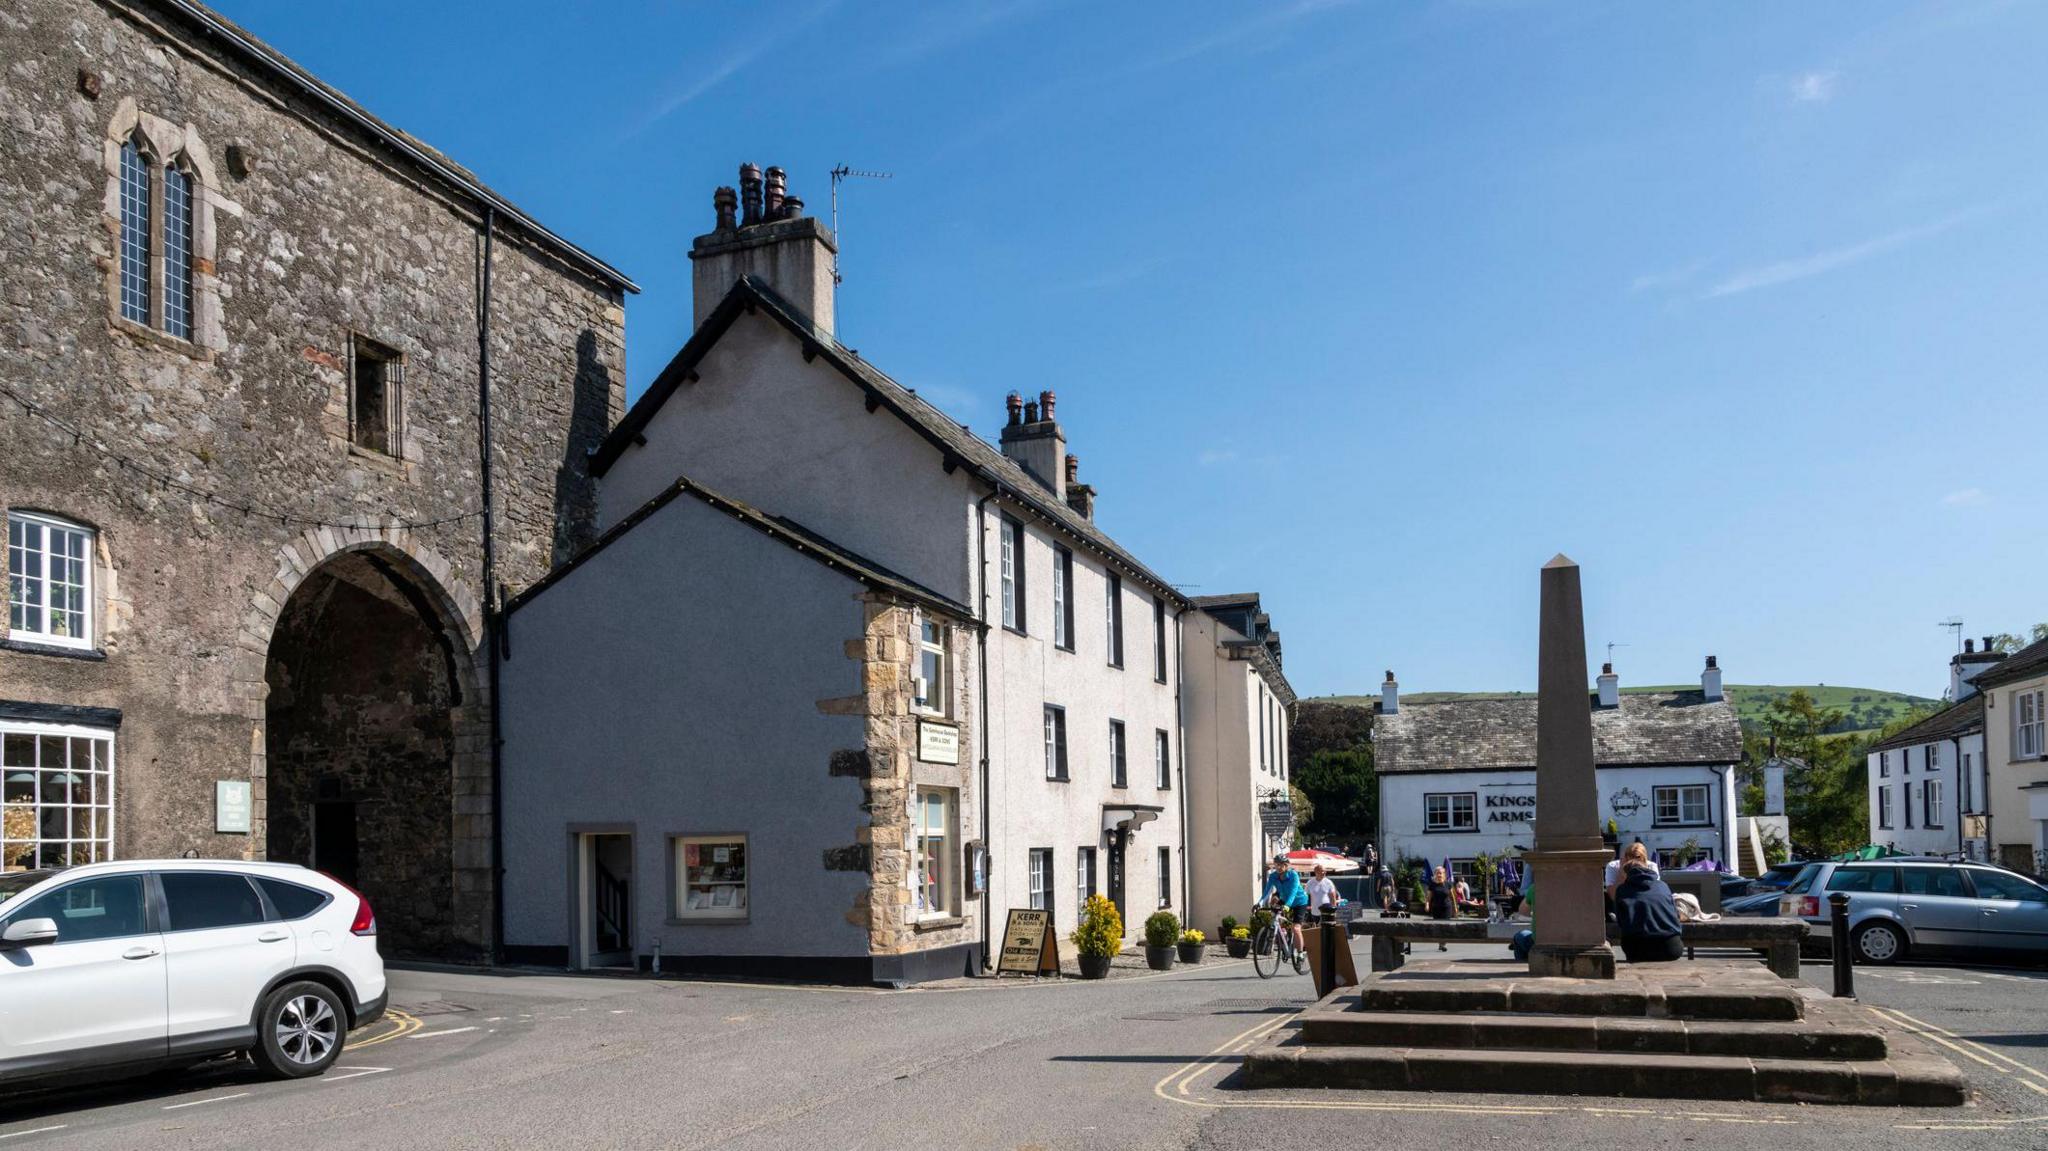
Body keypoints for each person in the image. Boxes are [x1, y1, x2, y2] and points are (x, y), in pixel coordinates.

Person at [1612, 861, 1684, 963]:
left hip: (1637, 949)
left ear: (1626, 874)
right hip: (1672, 948)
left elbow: (1620, 920)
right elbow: (1675, 913)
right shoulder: (1663, 886)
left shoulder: (1622, 889)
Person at [1259, 853, 1311, 953]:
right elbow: (1267, 891)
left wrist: (1287, 905)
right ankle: (1283, 934)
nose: (1278, 867)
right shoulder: (1273, 876)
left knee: (1296, 928)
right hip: (1285, 899)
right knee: (1275, 916)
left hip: (1299, 901)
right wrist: (1260, 903)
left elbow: (1293, 892)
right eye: (1276, 865)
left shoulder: (1293, 875)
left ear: (1286, 865)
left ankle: (1300, 953)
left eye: (1280, 865)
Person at [1426, 866, 1456, 950]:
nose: (1439, 875)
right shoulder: (1432, 885)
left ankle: (1443, 944)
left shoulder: (1448, 884)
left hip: (1447, 907)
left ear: (1444, 874)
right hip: (1436, 908)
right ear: (1435, 874)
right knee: (1438, 926)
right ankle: (1440, 942)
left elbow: (1453, 897)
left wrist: (1455, 908)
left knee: (1445, 925)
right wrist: (1427, 904)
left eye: (1441, 873)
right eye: (1437, 873)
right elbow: (1428, 897)